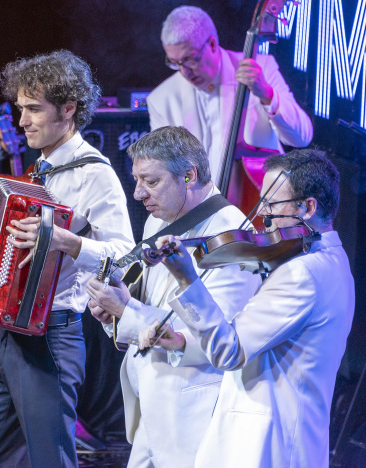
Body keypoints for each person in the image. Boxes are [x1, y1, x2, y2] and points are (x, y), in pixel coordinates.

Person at [0, 50, 135, 468]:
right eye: (20, 109)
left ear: (69, 108)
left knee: (50, 461)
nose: (22, 121)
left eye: (34, 109)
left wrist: (69, 242)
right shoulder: (40, 169)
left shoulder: (96, 173)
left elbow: (128, 259)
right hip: (7, 336)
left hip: (51, 338)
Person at [140, 149, 355, 468]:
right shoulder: (333, 263)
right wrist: (185, 341)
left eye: (272, 203)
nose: (263, 216)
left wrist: (187, 278)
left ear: (308, 207)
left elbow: (230, 351)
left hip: (263, 448)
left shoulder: (303, 273)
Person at [85, 126, 260, 468]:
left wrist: (126, 309)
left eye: (150, 181)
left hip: (193, 411)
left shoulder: (233, 237)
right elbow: (150, 305)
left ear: (189, 176)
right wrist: (114, 312)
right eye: (136, 180)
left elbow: (213, 339)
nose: (138, 194)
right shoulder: (157, 220)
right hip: (151, 403)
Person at [147, 5, 313, 186]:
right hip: (198, 207)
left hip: (261, 200)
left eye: (190, 59)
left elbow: (301, 137)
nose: (184, 72)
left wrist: (267, 94)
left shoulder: (260, 67)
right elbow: (168, 173)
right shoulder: (161, 100)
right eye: (175, 63)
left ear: (211, 44)